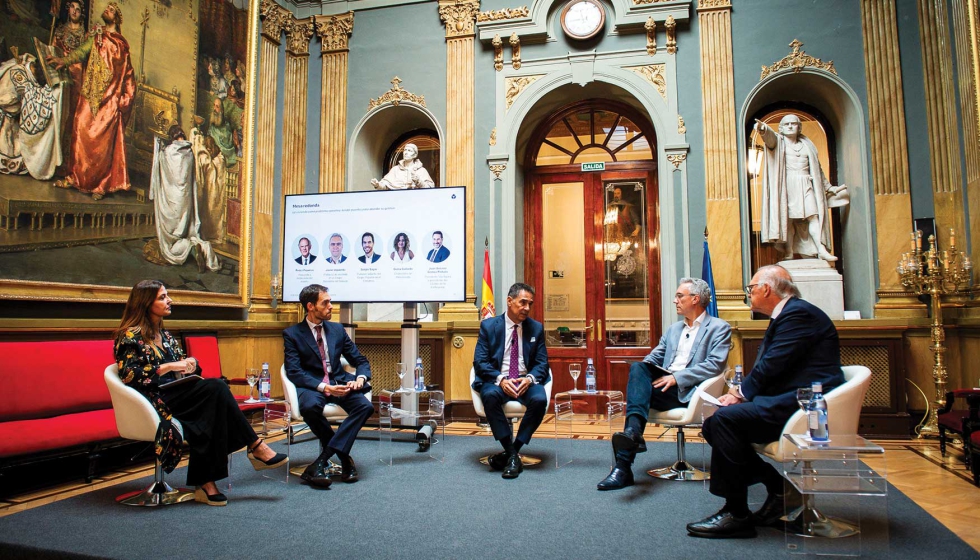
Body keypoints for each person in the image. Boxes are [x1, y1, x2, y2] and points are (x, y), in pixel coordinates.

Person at [686, 265, 845, 538]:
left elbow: (773, 365)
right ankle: (779, 489)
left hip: (808, 406)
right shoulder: (787, 315)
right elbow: (775, 369)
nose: (749, 294)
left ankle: (736, 513)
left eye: (751, 289)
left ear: (766, 289)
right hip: (788, 400)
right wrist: (739, 395)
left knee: (723, 421)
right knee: (715, 424)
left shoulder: (799, 314)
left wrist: (739, 394)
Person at [113, 280, 288, 506]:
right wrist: (168, 367)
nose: (169, 300)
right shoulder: (129, 336)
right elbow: (129, 375)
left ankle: (208, 483)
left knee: (210, 407)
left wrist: (191, 365)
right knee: (216, 389)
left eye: (167, 296)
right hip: (152, 401)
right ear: (146, 303)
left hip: (178, 394)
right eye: (162, 297)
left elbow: (183, 370)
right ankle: (254, 446)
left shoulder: (165, 335)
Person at [597, 278, 731, 490]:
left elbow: (714, 366)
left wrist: (677, 377)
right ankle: (630, 443)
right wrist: (646, 371)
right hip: (664, 388)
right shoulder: (673, 330)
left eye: (680, 296)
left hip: (689, 392)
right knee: (639, 368)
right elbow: (654, 357)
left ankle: (624, 465)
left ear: (695, 299)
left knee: (637, 394)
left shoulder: (718, 327)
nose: (674, 301)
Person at [283, 284, 373, 488]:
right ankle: (344, 459)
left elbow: (361, 360)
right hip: (314, 387)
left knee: (365, 407)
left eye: (330, 301)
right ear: (311, 306)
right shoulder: (292, 334)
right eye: (326, 302)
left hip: (340, 383)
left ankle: (321, 461)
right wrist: (324, 388)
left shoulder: (337, 330)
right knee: (309, 408)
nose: (331, 306)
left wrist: (361, 379)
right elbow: (294, 372)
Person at [49, 2, 136, 201]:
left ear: (118, 19)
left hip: (110, 102)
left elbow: (129, 77)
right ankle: (74, 177)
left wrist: (122, 100)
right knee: (79, 127)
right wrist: (64, 61)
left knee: (102, 145)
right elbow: (81, 52)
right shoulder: (97, 36)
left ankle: (101, 185)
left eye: (112, 10)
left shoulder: (122, 46)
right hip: (91, 94)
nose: (107, 10)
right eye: (107, 8)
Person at [472, 282, 550, 479]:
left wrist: (530, 379)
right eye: (522, 302)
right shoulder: (489, 326)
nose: (526, 308)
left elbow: (542, 363)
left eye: (529, 304)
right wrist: (500, 379)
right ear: (509, 301)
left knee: (540, 399)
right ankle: (513, 454)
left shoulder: (536, 328)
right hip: (499, 379)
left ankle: (511, 452)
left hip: (525, 380)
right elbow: (479, 362)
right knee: (489, 396)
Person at [755, 114, 848, 262]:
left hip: (806, 183)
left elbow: (817, 170)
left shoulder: (807, 145)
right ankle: (789, 251)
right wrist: (763, 129)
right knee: (789, 219)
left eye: (794, 123)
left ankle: (821, 249)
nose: (791, 126)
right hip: (788, 186)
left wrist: (829, 187)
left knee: (813, 216)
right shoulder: (779, 143)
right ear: (782, 128)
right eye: (787, 124)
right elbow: (770, 138)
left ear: (799, 127)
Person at [146, 124, 221, 271]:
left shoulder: (168, 152)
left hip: (172, 201)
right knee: (185, 229)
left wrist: (158, 145)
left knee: (171, 238)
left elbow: (161, 167)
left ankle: (191, 248)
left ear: (172, 136)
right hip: (185, 201)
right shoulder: (189, 152)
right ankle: (197, 247)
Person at [370, 143, 435, 189]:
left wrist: (419, 181)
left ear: (415, 155)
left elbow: (430, 188)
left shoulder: (421, 171)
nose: (406, 152)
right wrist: (377, 185)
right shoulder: (395, 170)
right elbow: (385, 185)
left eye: (409, 151)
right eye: (405, 150)